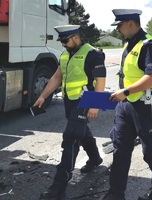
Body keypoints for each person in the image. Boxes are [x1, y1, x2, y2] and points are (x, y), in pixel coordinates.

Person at [102, 9, 152, 200]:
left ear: (131, 23)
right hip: (126, 106)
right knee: (120, 149)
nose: (118, 30)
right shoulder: (130, 45)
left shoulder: (148, 45)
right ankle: (116, 194)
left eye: (120, 26)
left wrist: (125, 92)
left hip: (145, 105)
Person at [34, 25, 106, 199]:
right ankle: (95, 159)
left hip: (84, 101)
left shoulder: (92, 53)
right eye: (62, 41)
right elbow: (57, 77)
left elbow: (100, 80)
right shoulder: (65, 55)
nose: (63, 44)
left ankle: (58, 187)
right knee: (82, 132)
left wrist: (96, 105)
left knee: (71, 137)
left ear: (75, 37)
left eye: (65, 41)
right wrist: (43, 96)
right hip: (70, 101)